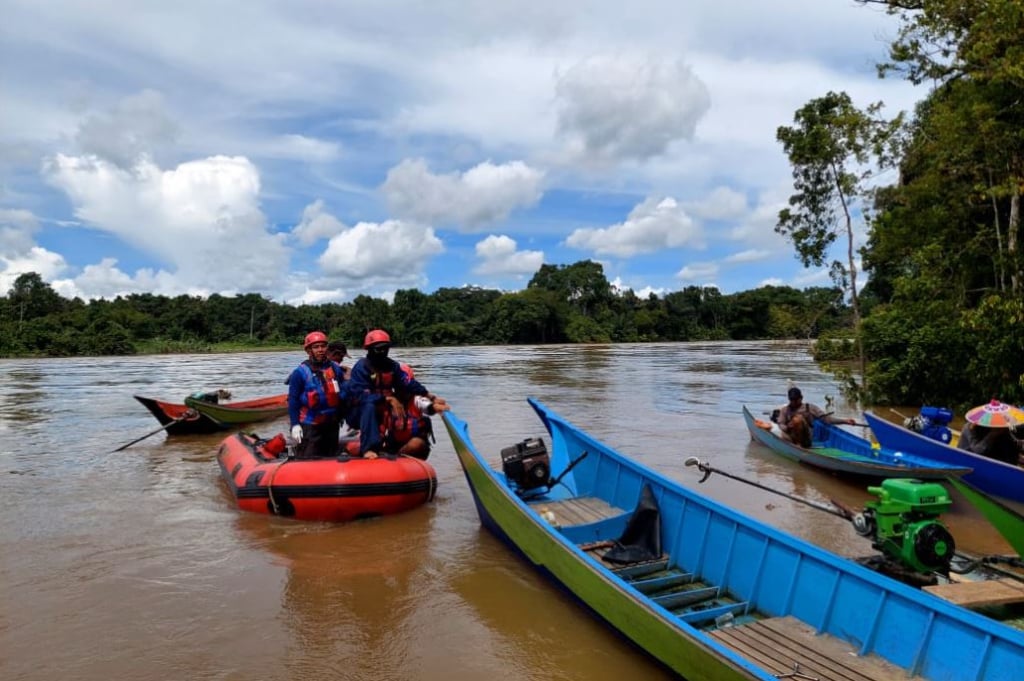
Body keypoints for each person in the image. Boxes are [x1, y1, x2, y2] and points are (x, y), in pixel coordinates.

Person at [342, 329, 446, 459]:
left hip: (382, 411)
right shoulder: (361, 367)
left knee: (385, 412)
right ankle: (369, 448)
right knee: (369, 406)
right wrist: (387, 398)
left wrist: (432, 398)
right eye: (378, 349)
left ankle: (390, 448)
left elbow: (409, 384)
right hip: (360, 411)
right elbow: (360, 396)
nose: (382, 352)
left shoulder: (393, 367)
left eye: (385, 348)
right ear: (369, 349)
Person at [287, 331, 347, 458]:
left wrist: (342, 414)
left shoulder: (335, 369)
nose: (320, 350)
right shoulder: (300, 373)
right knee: (308, 460)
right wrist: (295, 424)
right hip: (310, 424)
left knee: (331, 458)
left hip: (331, 424)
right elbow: (293, 400)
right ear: (309, 350)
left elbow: (343, 391)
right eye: (316, 347)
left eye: (323, 346)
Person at [775, 386, 855, 448]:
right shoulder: (785, 410)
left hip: (805, 439)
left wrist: (845, 421)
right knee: (788, 428)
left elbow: (826, 419)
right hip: (790, 438)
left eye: (796, 399)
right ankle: (793, 445)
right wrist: (787, 427)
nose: (794, 402)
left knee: (798, 419)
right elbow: (780, 423)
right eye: (792, 400)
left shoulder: (810, 408)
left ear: (801, 398)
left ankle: (800, 446)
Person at [957, 422, 1023, 465]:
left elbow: (1011, 447)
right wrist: (992, 435)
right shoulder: (971, 427)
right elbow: (977, 451)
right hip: (966, 461)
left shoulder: (1004, 429)